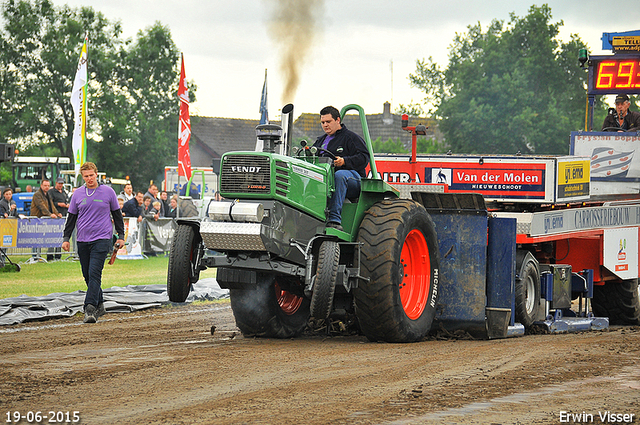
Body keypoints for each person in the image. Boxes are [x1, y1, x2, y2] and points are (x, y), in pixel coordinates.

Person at [62, 162, 125, 324]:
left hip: (102, 239)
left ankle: (90, 308)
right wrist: (65, 238)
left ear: (96, 174)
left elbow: (117, 216)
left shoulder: (108, 192)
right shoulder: (77, 194)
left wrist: (121, 236)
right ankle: (101, 304)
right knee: (87, 275)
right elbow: (71, 219)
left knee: (95, 273)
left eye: (91, 175)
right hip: (82, 240)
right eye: (86, 176)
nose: (89, 179)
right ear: (82, 177)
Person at [312, 106, 369, 231]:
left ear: (338, 120)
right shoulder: (320, 141)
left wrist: (345, 161)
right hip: (327, 180)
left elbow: (364, 157)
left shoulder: (351, 138)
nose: (325, 125)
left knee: (340, 175)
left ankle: (334, 219)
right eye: (323, 122)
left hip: (353, 179)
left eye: (328, 122)